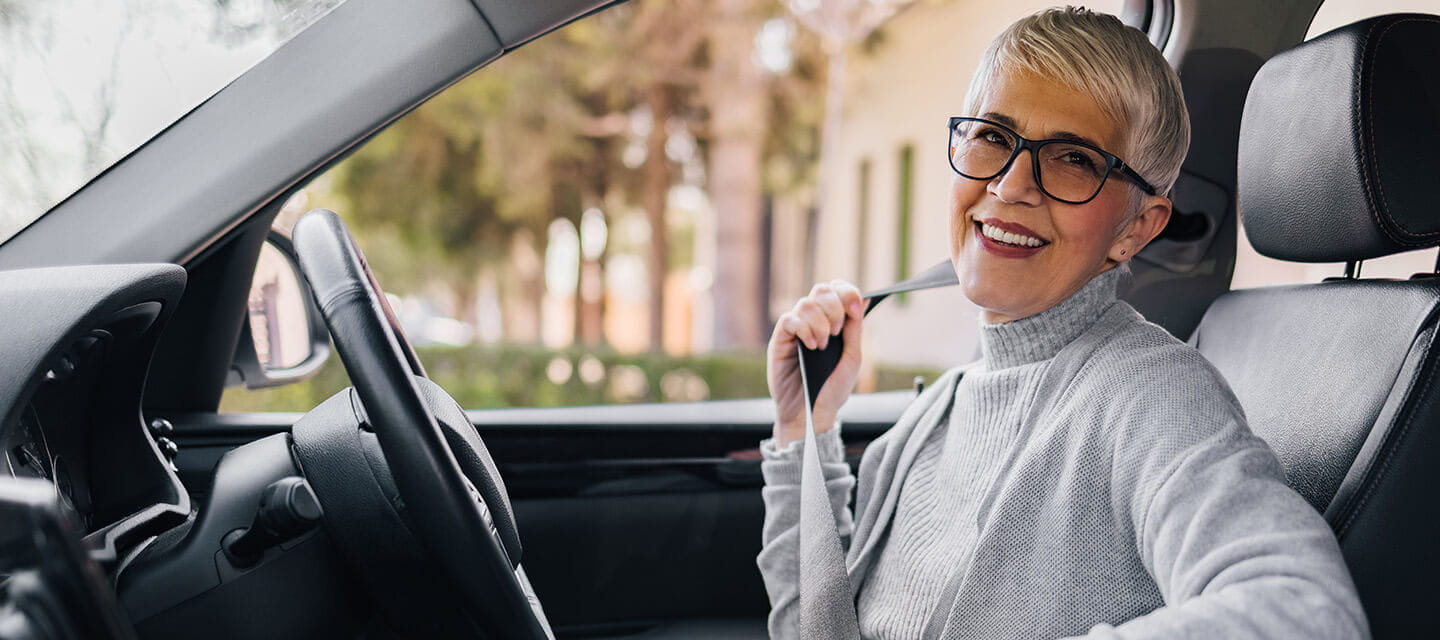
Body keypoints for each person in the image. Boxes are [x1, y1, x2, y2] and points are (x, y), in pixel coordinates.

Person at [757, 7, 1368, 640]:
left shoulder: (1147, 395)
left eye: (1073, 158)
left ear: (1136, 229)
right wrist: (806, 430)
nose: (1012, 184)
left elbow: (1305, 613)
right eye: (992, 135)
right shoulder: (934, 414)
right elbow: (815, 629)